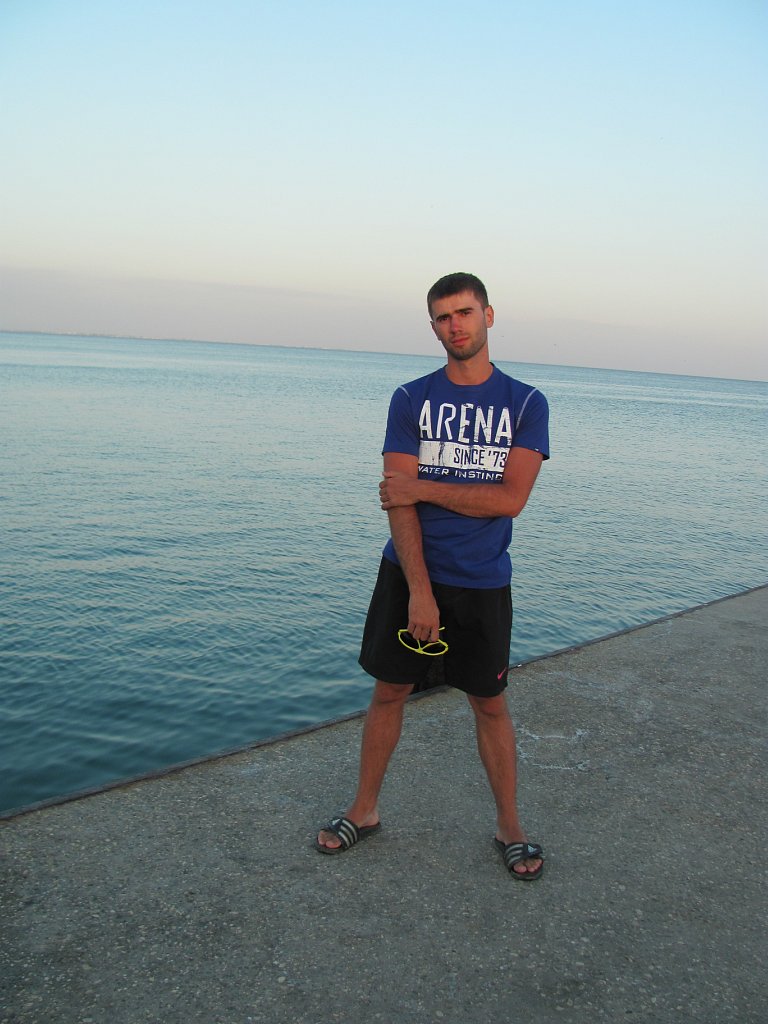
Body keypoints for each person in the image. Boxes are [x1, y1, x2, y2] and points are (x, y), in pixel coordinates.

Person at [315, 272, 550, 880]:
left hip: (482, 581)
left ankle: (510, 826)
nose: (456, 326)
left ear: (489, 315)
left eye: (465, 312)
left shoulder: (526, 403)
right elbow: (397, 502)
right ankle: (364, 810)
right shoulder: (410, 398)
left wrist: (422, 487)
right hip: (409, 574)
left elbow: (510, 500)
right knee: (389, 692)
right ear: (433, 327)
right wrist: (419, 590)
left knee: (489, 704)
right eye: (444, 317)